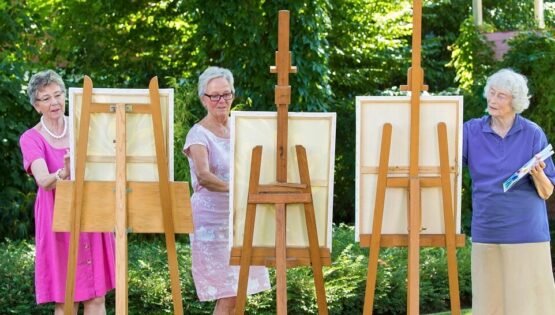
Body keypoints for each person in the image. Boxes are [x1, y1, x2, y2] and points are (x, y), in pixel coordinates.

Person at [19, 70, 115, 314]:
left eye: (58, 95)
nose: (54, 102)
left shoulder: (84, 126)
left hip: (91, 215)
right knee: (66, 301)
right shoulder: (31, 138)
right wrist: (65, 171)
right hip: (57, 221)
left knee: (96, 298)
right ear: (36, 106)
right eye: (46, 98)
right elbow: (43, 180)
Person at [463, 68, 555, 314]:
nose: (493, 100)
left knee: (529, 306)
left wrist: (538, 174)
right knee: (489, 305)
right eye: (491, 93)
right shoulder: (471, 131)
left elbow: (547, 192)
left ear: (515, 101)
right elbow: (444, 164)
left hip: (527, 233)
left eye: (501, 96)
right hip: (487, 230)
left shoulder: (532, 133)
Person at [183, 66, 271, 314]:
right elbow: (204, 176)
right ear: (204, 100)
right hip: (211, 224)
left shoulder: (241, 128)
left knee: (241, 292)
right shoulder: (197, 134)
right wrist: (239, 189)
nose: (221, 100)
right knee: (228, 294)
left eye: (226, 94)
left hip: (241, 219)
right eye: (215, 96)